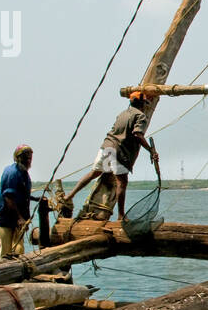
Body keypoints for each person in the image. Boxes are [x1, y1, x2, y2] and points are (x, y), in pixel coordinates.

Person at [66, 90, 159, 220]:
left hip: (106, 147)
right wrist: (151, 150)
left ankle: (69, 196)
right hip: (118, 152)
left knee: (94, 173)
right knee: (122, 182)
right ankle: (121, 216)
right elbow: (138, 134)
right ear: (142, 104)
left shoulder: (122, 114)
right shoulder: (141, 116)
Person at [0, 145, 39, 259]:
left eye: (29, 158)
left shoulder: (24, 173)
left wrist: (34, 199)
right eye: (25, 158)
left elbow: (21, 194)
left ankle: (19, 273)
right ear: (17, 158)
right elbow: (8, 197)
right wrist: (19, 218)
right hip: (4, 219)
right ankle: (3, 273)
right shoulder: (12, 173)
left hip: (17, 220)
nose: (28, 161)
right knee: (6, 251)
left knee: (18, 249)